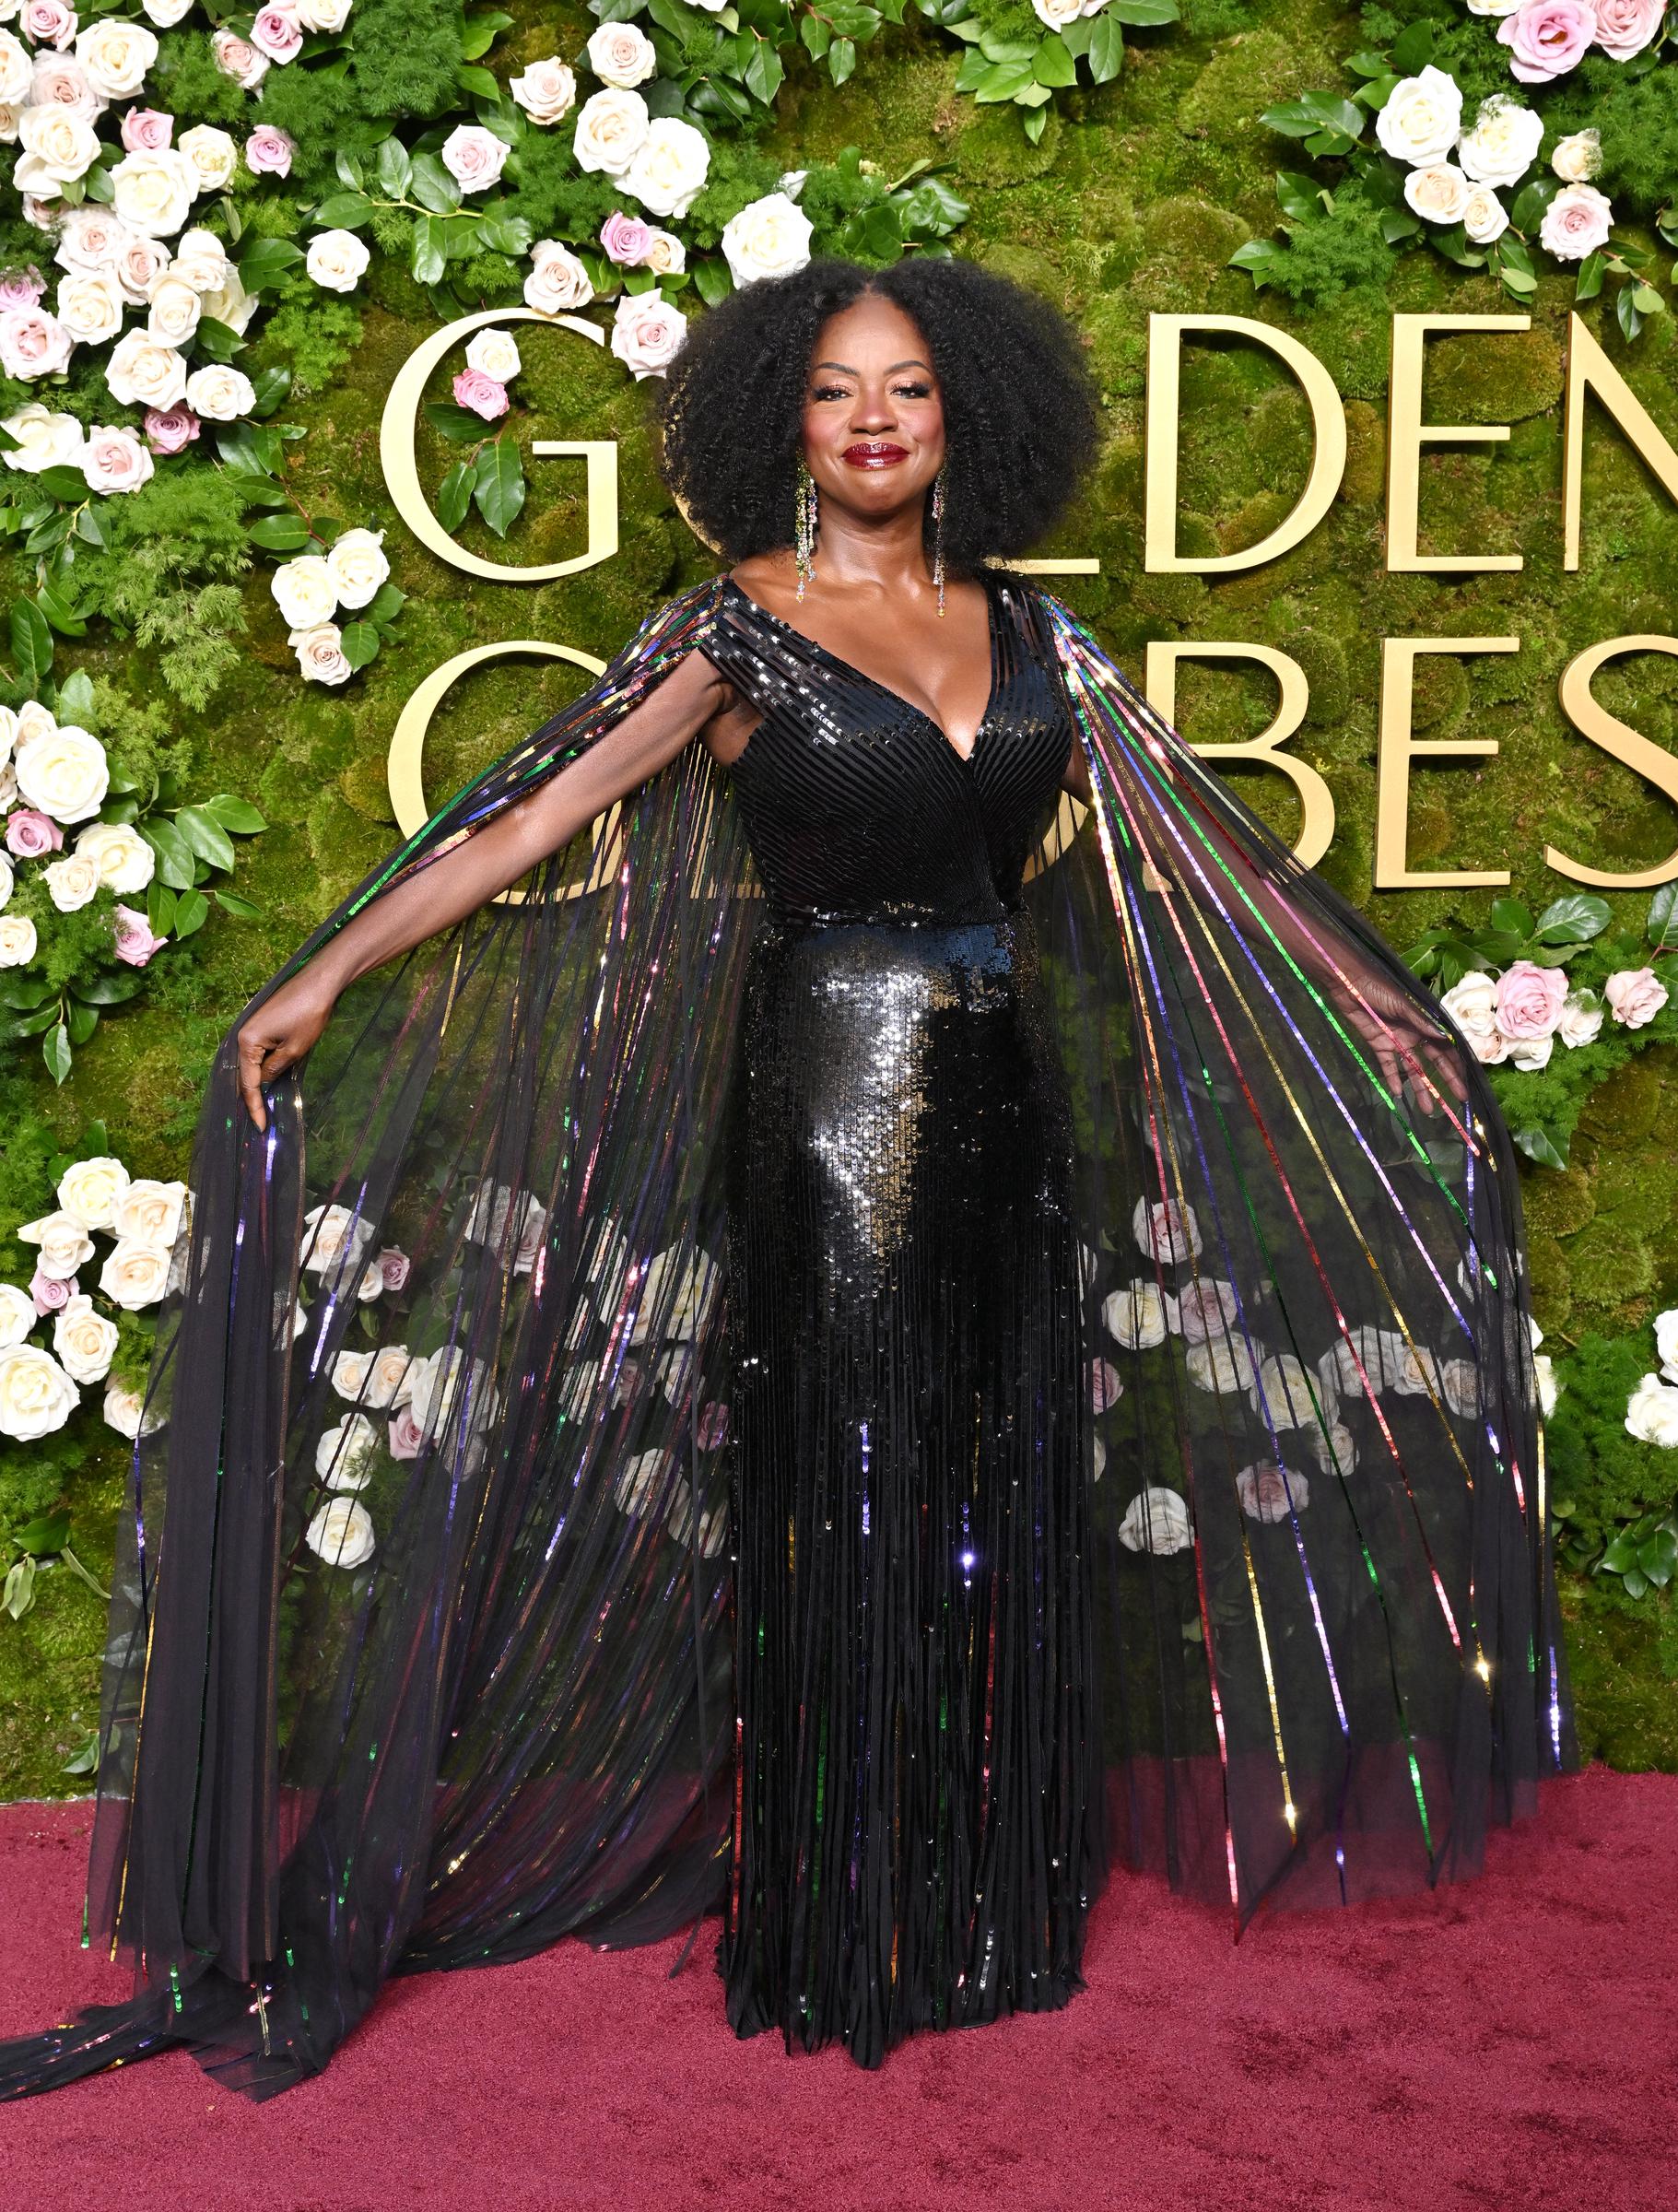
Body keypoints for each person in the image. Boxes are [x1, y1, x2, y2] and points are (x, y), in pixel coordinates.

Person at [0, 257, 1575, 2101]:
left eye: (905, 388)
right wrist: (322, 974)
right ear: (782, 422)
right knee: (849, 1482)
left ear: (962, 413)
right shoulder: (728, 634)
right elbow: (527, 814)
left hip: (1003, 1112)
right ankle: (841, 1921)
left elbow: (1189, 849)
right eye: (836, 391)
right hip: (829, 1109)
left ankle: (973, 1902)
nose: (875, 420)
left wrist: (1381, 1018)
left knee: (990, 1480)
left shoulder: (1041, 635)